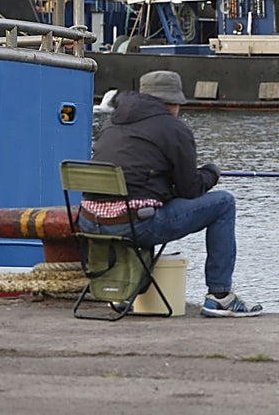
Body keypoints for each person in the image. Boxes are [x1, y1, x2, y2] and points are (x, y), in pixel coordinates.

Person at [80, 70, 262, 317]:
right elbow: (190, 189)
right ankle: (220, 296)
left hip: (89, 222)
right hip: (135, 225)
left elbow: (137, 176)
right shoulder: (174, 128)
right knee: (224, 203)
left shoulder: (113, 124)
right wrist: (211, 172)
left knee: (139, 206)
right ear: (172, 102)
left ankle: (124, 293)